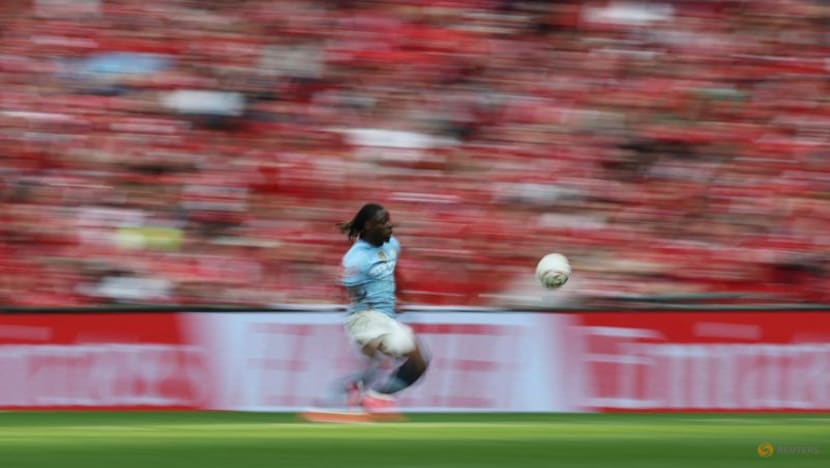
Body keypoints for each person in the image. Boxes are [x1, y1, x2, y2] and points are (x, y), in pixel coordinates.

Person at [336, 202, 429, 414]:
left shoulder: (392, 245)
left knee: (420, 362)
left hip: (386, 318)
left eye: (389, 222)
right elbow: (352, 295)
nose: (389, 227)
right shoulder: (356, 259)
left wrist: (401, 294)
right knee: (386, 355)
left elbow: (393, 269)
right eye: (383, 223)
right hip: (364, 318)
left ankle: (368, 391)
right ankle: (366, 391)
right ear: (368, 226)